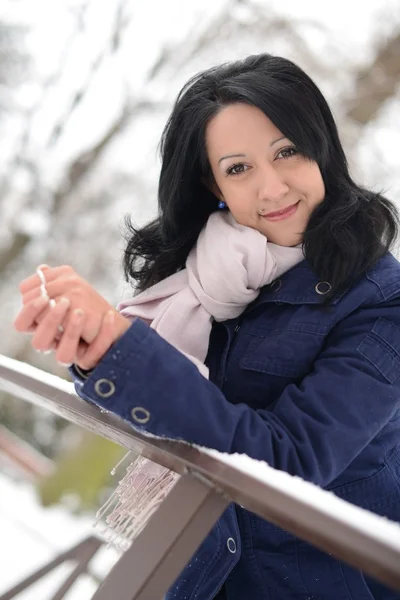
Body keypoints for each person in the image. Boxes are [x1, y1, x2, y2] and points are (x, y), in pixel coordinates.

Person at [14, 54, 400, 600]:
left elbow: (292, 458)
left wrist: (126, 352)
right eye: (239, 167)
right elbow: (161, 397)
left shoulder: (383, 300)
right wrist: (92, 342)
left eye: (287, 151)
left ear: (323, 151)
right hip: (194, 573)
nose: (272, 189)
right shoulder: (209, 273)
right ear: (212, 182)